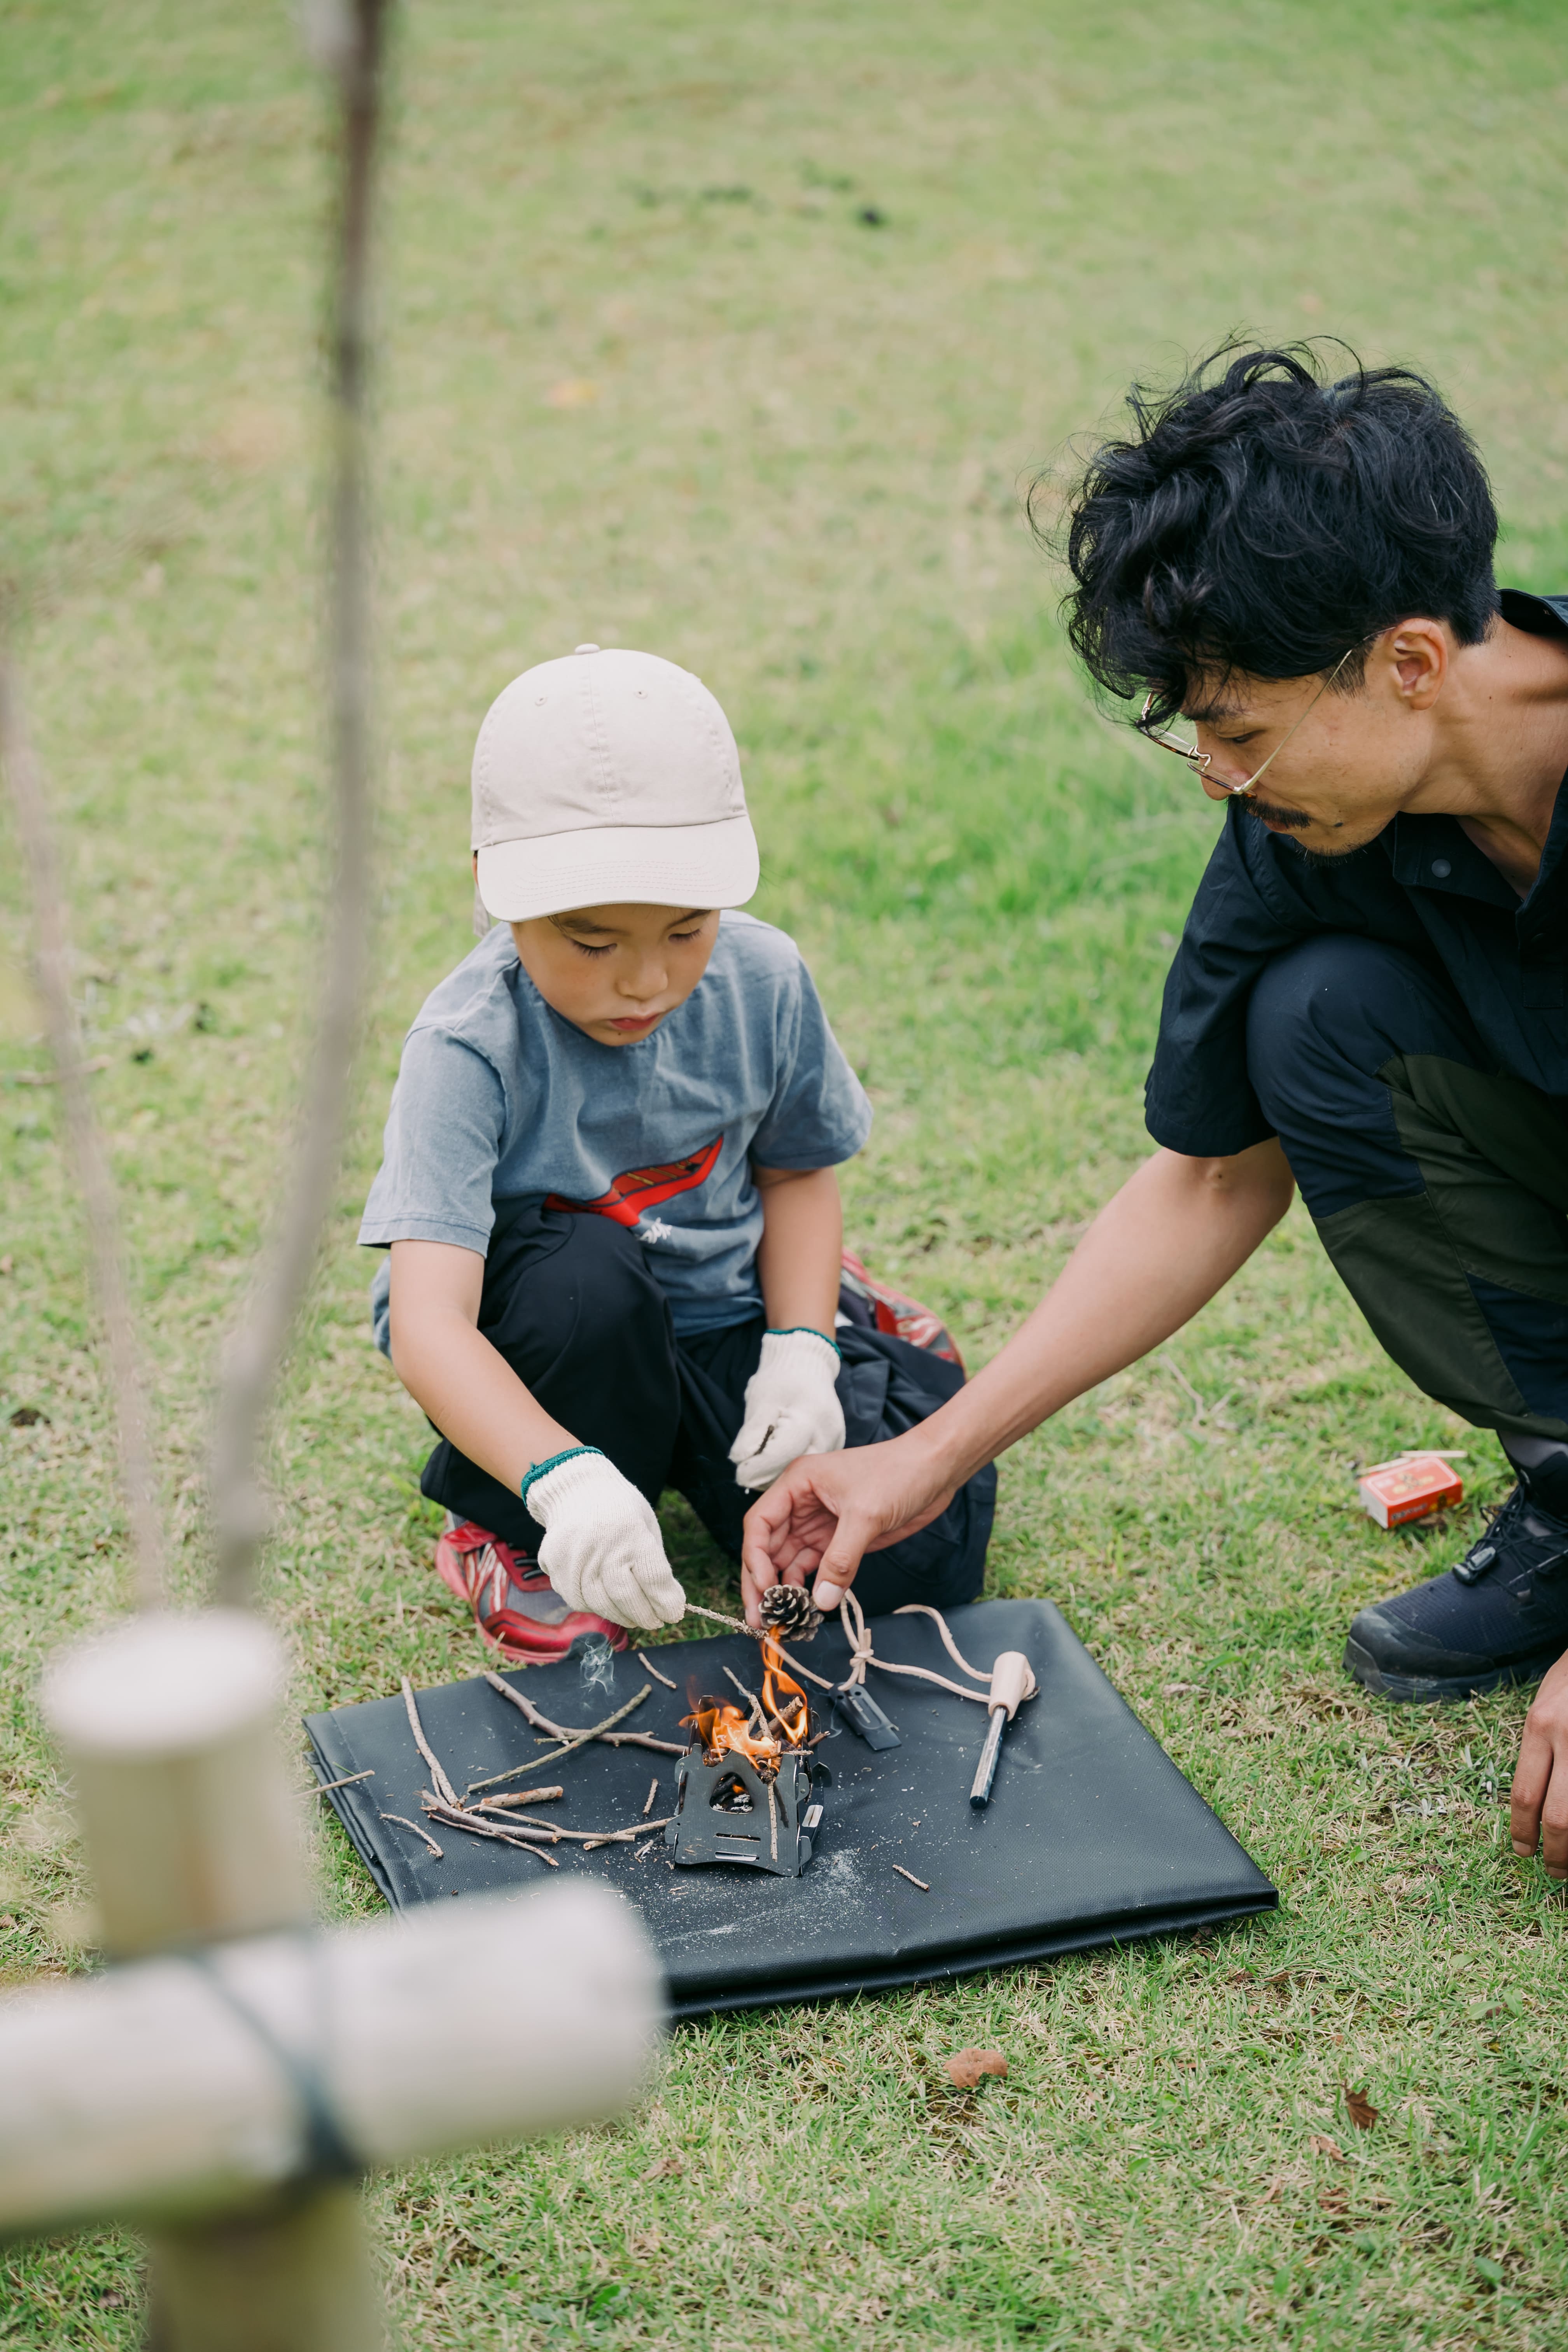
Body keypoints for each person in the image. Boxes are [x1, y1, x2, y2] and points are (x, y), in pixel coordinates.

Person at [741, 345, 1568, 1879]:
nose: (1215, 774)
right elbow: (1205, 1182)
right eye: (1191, 727)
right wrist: (921, 1458)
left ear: (1407, 665)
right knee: (1310, 1017)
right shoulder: (1311, 821)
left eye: (1241, 728)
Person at [359, 642, 994, 1658]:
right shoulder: (466, 1047)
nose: (646, 982)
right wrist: (559, 1483)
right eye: (592, 940)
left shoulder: (764, 979)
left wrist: (799, 1351)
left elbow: (795, 1168)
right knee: (589, 1279)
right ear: (496, 889)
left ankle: (839, 1309)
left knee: (919, 1557)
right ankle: (503, 1528)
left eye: (687, 930)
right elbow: (432, 1324)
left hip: (715, 1303)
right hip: (560, 1331)